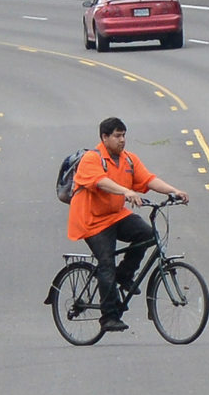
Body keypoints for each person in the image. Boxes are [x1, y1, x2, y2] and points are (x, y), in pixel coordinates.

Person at [67, 117, 189, 332]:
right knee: (106, 265)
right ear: (104, 137)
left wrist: (173, 191)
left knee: (148, 234)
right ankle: (109, 317)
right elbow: (101, 181)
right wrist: (126, 191)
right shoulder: (91, 159)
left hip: (115, 215)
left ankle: (124, 276)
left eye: (123, 135)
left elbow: (148, 179)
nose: (122, 140)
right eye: (117, 136)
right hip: (91, 221)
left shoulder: (128, 160)